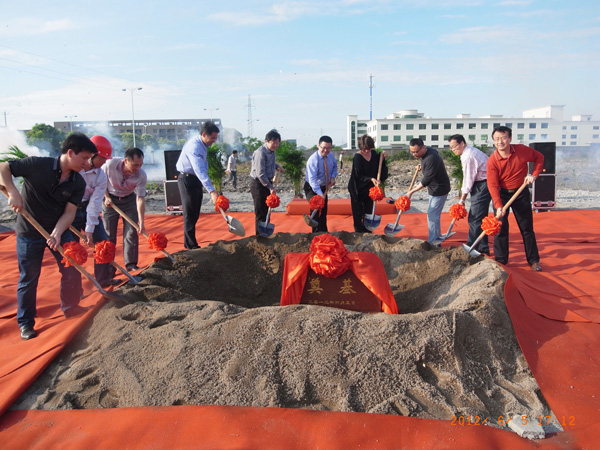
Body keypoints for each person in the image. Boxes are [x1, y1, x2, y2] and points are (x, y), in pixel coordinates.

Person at [0, 132, 97, 340]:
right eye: (84, 158)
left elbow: (70, 212)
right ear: (70, 153)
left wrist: (57, 233)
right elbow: (3, 168)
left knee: (71, 269)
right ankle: (25, 322)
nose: (87, 163)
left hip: (57, 230)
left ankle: (70, 307)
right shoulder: (37, 165)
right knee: (29, 278)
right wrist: (13, 192)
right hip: (28, 231)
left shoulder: (77, 182)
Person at [487, 126, 544, 271]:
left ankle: (534, 260)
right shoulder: (492, 161)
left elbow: (539, 158)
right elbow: (492, 185)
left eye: (503, 138)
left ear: (510, 138)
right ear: (493, 141)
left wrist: (534, 174)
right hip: (502, 194)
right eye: (497, 139)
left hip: (521, 193)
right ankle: (501, 261)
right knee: (500, 229)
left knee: (527, 229)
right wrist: (498, 206)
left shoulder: (521, 150)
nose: (500, 142)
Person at [72, 135, 115, 287]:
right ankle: (74, 290)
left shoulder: (101, 176)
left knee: (103, 243)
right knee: (71, 248)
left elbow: (95, 203)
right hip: (70, 211)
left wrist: (89, 229)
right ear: (91, 155)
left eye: (106, 159)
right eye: (101, 158)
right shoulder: (76, 171)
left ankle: (103, 280)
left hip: (87, 208)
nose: (104, 162)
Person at [102, 147, 147, 273]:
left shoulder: (141, 175)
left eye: (140, 165)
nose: (137, 168)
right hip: (110, 200)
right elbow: (101, 181)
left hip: (129, 200)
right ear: (126, 161)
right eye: (135, 165)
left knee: (131, 231)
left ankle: (131, 264)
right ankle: (109, 267)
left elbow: (140, 198)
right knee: (109, 234)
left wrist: (141, 222)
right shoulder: (110, 164)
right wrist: (106, 197)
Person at [176, 121, 219, 249]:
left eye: (216, 138)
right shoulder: (195, 147)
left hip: (195, 180)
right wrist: (212, 191)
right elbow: (199, 170)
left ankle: (190, 242)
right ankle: (190, 245)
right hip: (187, 179)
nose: (214, 141)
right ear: (204, 134)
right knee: (190, 212)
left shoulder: (202, 144)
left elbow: (203, 167)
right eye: (212, 138)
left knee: (195, 212)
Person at [449, 134, 492, 255]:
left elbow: (469, 179)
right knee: (481, 217)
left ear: (462, 143)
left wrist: (462, 199)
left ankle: (472, 247)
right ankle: (483, 247)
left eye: (454, 146)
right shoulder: (471, 151)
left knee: (475, 218)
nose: (453, 150)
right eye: (451, 148)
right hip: (484, 183)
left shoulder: (468, 156)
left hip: (483, 185)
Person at [406, 138, 451, 244]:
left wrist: (411, 192)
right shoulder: (429, 152)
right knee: (434, 215)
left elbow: (426, 180)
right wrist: (423, 165)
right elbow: (429, 165)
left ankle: (433, 242)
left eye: (416, 151)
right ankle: (437, 237)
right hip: (434, 188)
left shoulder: (431, 158)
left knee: (432, 214)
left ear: (423, 147)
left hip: (439, 189)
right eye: (412, 152)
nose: (414, 154)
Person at [348, 135, 388, 233]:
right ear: (361, 147)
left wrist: (383, 158)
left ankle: (367, 231)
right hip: (357, 188)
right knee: (358, 212)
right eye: (365, 149)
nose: (367, 151)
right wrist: (370, 179)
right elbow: (358, 175)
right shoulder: (358, 157)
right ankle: (358, 232)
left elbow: (381, 166)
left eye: (369, 148)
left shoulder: (374, 154)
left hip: (369, 189)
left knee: (368, 210)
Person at [249, 129, 285, 235]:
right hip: (258, 184)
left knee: (267, 210)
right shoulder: (260, 153)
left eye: (277, 143)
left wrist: (277, 166)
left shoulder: (272, 152)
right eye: (273, 142)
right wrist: (270, 187)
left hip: (267, 182)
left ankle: (264, 235)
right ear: (266, 141)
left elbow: (270, 164)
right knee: (261, 212)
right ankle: (259, 237)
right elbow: (260, 173)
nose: (275, 145)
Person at [304, 136, 338, 233]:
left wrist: (332, 177)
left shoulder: (331, 156)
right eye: (323, 147)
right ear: (318, 146)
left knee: (323, 212)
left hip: (324, 187)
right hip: (312, 188)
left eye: (328, 148)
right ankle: (315, 235)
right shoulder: (312, 160)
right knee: (315, 209)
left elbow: (335, 167)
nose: (325, 150)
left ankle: (324, 233)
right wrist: (319, 194)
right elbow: (312, 180)